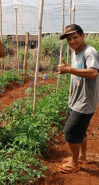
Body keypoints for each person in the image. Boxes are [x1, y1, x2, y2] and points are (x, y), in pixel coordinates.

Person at [55, 24, 99, 174]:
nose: (72, 41)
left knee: (70, 132)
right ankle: (81, 156)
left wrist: (69, 69)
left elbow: (93, 73)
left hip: (85, 101)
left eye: (75, 37)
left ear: (83, 35)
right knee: (80, 131)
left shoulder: (90, 52)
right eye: (69, 39)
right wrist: (69, 72)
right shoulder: (75, 53)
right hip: (74, 99)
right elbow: (77, 73)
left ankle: (74, 162)